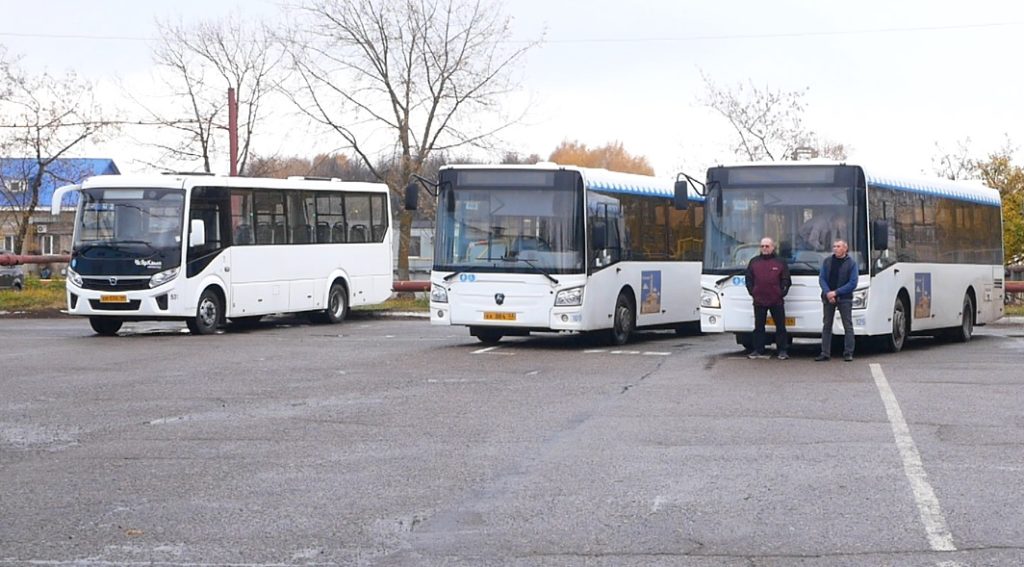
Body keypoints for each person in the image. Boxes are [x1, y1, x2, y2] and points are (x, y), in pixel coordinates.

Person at [745, 237, 791, 360]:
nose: (764, 248)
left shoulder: (780, 262)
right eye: (762, 246)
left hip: (776, 301)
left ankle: (782, 350)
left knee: (780, 327)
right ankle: (758, 350)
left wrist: (781, 293)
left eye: (767, 246)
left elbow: (786, 279)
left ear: (773, 247)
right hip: (759, 300)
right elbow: (748, 279)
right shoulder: (754, 262)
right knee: (759, 327)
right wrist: (753, 292)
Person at [816, 239, 859, 362]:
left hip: (844, 298)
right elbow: (822, 279)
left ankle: (848, 353)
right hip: (828, 297)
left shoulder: (851, 264)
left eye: (838, 246)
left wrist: (836, 292)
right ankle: (825, 352)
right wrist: (828, 293)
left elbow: (852, 283)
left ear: (845, 248)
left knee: (848, 326)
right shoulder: (827, 261)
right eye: (834, 246)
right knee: (827, 325)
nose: (835, 248)